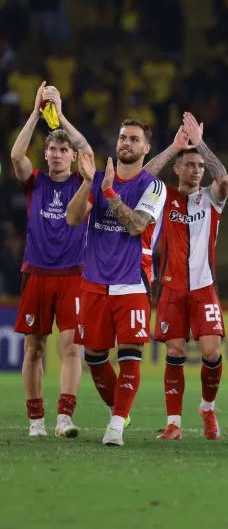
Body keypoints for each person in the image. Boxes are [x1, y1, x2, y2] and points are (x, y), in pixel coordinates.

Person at [66, 119, 167, 447]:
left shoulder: (153, 186)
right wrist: (86, 183)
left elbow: (137, 225)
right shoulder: (96, 179)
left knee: (129, 355)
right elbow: (73, 217)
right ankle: (119, 409)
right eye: (123, 137)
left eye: (134, 139)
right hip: (93, 281)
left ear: (145, 148)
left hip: (132, 282)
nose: (126, 143)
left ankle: (117, 424)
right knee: (94, 358)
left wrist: (110, 192)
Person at [10, 83, 92, 438]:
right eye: (52, 149)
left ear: (71, 156)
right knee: (34, 349)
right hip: (37, 273)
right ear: (45, 155)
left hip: (74, 273)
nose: (57, 154)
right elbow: (15, 156)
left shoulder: (83, 182)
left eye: (63, 149)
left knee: (73, 347)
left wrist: (59, 115)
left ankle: (64, 418)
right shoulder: (36, 184)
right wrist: (35, 113)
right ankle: (36, 421)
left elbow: (87, 147)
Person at [143, 113, 228, 441]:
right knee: (175, 352)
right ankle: (174, 424)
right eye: (189, 164)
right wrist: (175, 146)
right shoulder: (163, 196)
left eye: (199, 166)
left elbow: (224, 179)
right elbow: (139, 178)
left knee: (211, 353)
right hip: (170, 288)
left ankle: (207, 408)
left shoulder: (211, 198)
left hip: (204, 287)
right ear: (177, 169)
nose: (196, 169)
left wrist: (200, 143)